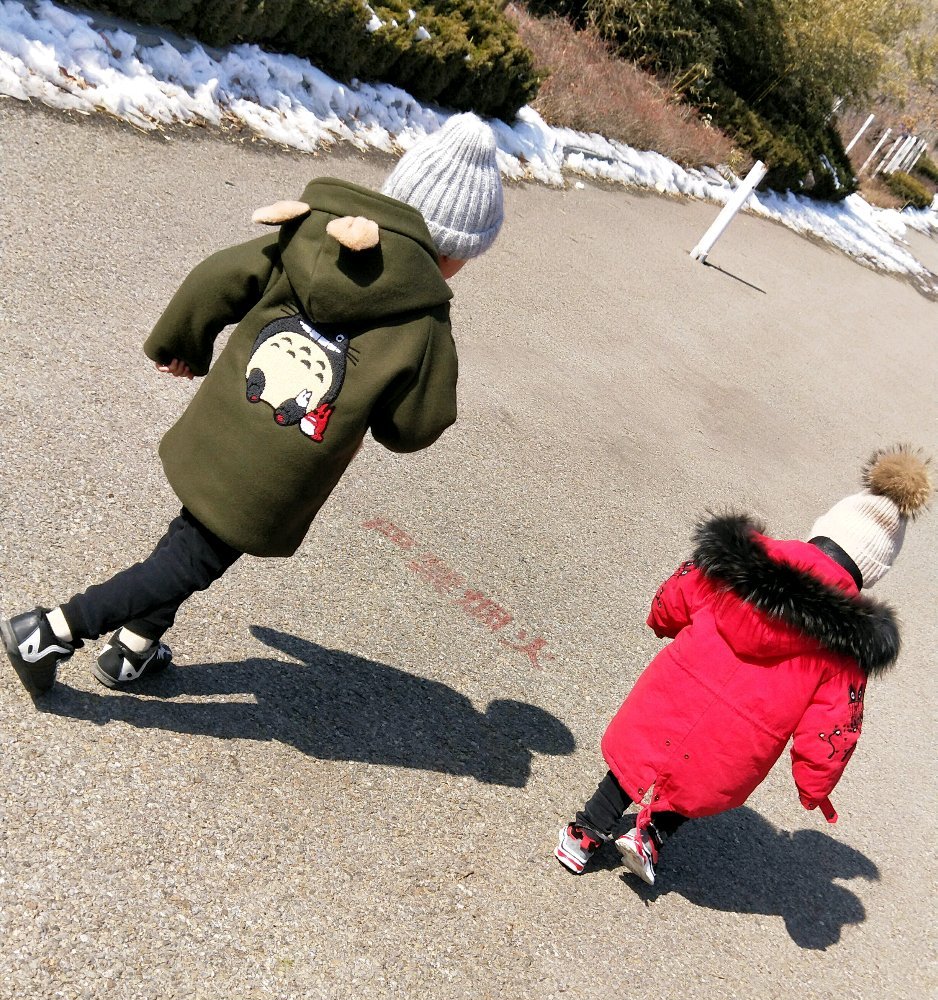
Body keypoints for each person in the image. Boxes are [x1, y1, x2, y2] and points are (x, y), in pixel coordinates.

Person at [2, 114, 504, 698]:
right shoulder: (424, 318)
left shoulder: (311, 233)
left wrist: (182, 344)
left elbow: (218, 276)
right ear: (455, 251)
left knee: (192, 536)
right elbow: (413, 426)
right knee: (192, 560)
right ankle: (50, 631)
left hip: (220, 424)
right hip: (273, 476)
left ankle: (134, 649)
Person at [555, 447, 932, 883]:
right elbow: (835, 724)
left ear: (823, 530)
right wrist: (815, 784)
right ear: (872, 570)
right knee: (702, 778)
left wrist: (662, 618)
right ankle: (650, 836)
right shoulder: (850, 643)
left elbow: (679, 593)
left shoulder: (739, 558)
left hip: (677, 688)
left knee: (640, 752)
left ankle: (585, 834)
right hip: (743, 733)